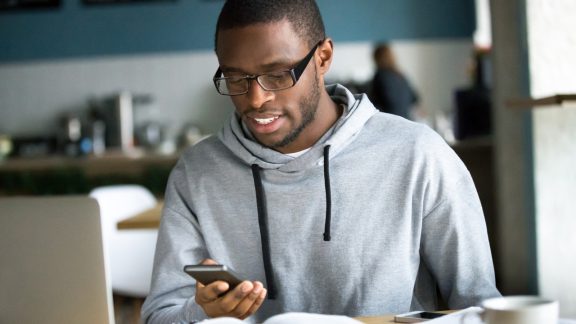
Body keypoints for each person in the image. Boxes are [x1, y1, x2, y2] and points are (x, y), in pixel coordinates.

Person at [141, 1, 501, 323]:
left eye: (278, 74)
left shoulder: (417, 154)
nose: (256, 98)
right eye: (236, 78)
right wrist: (201, 311)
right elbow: (160, 316)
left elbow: (480, 306)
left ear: (323, 57)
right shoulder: (197, 173)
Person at [370, 43, 419, 119]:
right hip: (406, 119)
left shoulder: (380, 75)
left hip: (390, 120)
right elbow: (415, 98)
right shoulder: (400, 74)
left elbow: (373, 103)